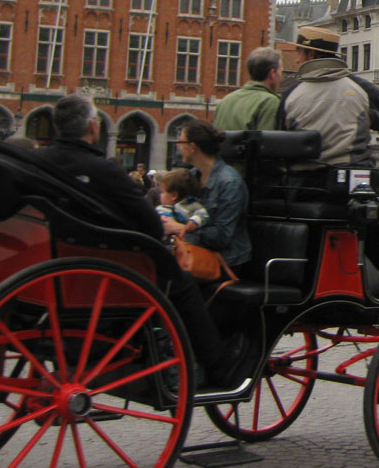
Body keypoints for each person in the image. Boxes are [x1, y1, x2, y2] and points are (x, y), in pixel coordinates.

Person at [35, 94, 246, 387]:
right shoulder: (103, 169)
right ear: (94, 128)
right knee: (180, 283)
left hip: (47, 264)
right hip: (99, 265)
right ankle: (217, 361)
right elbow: (148, 222)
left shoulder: (37, 162)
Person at [278, 25, 379, 291]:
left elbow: (280, 143)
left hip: (301, 190)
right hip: (351, 189)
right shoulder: (359, 88)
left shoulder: (290, 95)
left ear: (311, 55)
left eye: (300, 53)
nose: (296, 59)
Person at [162, 119, 250, 269]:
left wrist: (178, 228)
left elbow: (222, 236)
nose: (177, 146)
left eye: (181, 141)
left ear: (192, 147)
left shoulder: (229, 182)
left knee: (169, 275)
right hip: (193, 250)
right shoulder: (191, 176)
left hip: (225, 259)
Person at [213, 45, 283, 132]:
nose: (281, 77)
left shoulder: (225, 101)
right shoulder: (270, 102)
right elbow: (267, 143)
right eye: (281, 71)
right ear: (272, 73)